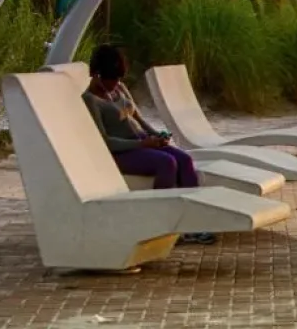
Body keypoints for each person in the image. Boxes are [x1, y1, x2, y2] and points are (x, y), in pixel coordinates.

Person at [84, 44, 217, 245]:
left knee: (184, 159)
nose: (117, 83)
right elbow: (105, 141)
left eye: (119, 78)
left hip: (142, 143)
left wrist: (157, 135)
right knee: (166, 163)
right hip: (122, 152)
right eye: (112, 79)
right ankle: (160, 222)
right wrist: (142, 145)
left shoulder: (119, 89)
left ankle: (193, 221)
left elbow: (138, 118)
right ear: (97, 75)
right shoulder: (90, 100)